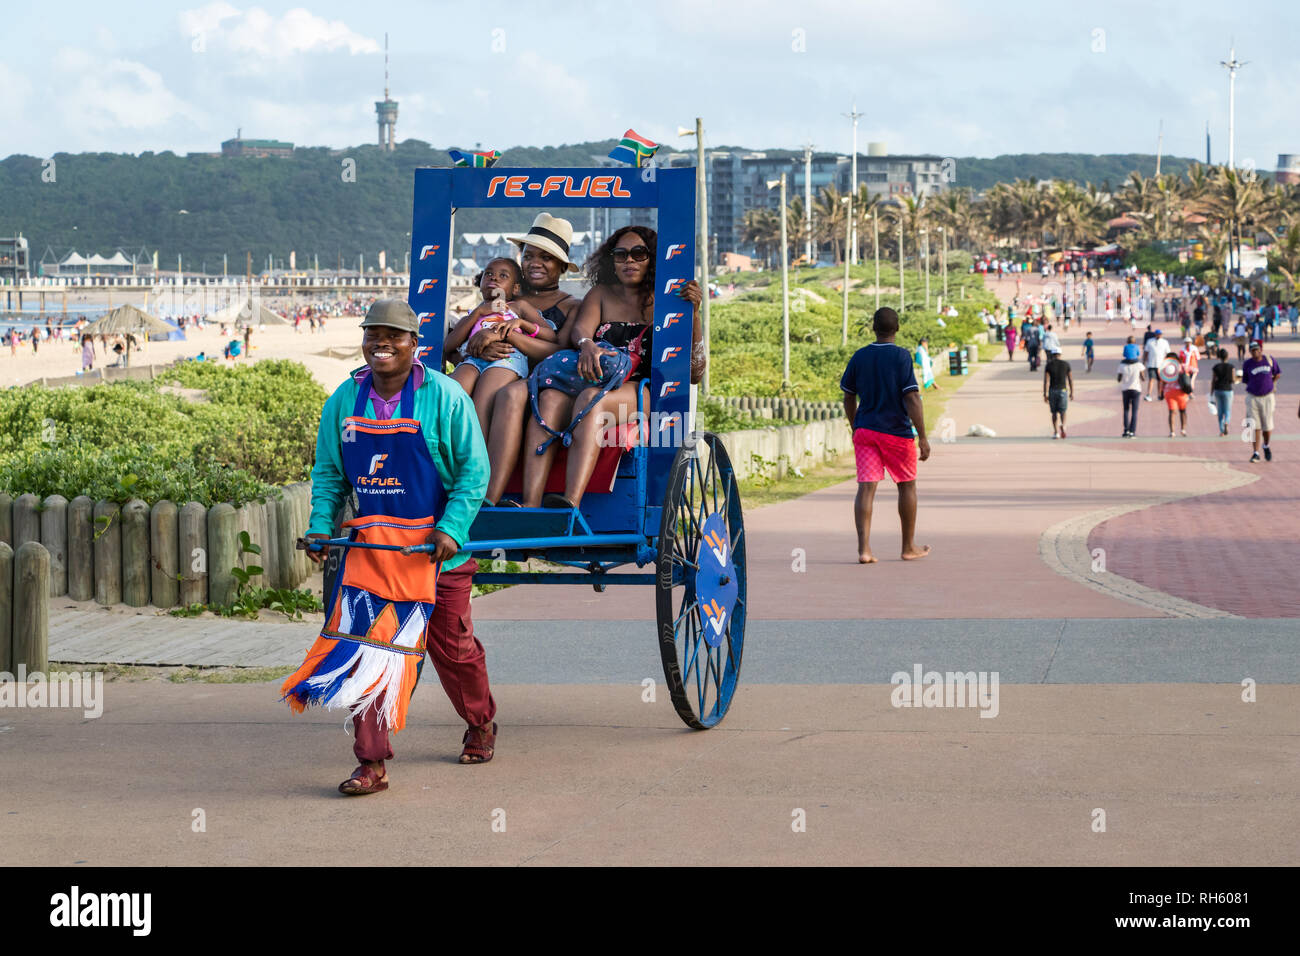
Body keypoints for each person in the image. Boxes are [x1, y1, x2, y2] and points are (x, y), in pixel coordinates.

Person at [287, 299, 494, 795]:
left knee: (453, 649)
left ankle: (481, 721)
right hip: (374, 555)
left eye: (394, 335)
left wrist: (451, 529)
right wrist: (320, 527)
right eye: (373, 334)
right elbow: (330, 474)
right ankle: (371, 764)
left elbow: (474, 472)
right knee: (372, 652)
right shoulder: (343, 400)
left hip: (437, 554)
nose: (382, 343)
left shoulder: (444, 397)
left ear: (414, 343)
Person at [520, 225, 704, 508]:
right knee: (548, 398)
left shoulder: (668, 299)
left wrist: (694, 314)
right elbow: (581, 329)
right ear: (611, 261)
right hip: (594, 380)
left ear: (652, 258)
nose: (629, 261)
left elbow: (695, 371)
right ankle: (529, 507)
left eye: (638, 254)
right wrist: (586, 343)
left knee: (592, 400)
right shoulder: (600, 294)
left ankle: (571, 503)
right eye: (620, 255)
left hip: (643, 389)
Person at [477, 214, 586, 506]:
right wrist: (482, 347)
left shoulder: (572, 305)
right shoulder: (506, 296)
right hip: (497, 370)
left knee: (511, 395)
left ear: (562, 266)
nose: (535, 262)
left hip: (547, 383)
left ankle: (491, 497)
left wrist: (513, 337)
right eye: (530, 255)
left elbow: (560, 350)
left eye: (546, 258)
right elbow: (471, 333)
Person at [840, 307, 930, 564]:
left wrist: (855, 425)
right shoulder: (902, 356)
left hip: (866, 431)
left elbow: (848, 395)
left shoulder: (860, 356)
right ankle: (908, 547)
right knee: (907, 484)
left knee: (866, 488)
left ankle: (864, 550)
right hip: (896, 433)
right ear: (897, 328)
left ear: (873, 328)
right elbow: (911, 396)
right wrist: (922, 436)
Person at [444, 257, 557, 437]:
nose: (494, 278)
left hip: (507, 358)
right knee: (453, 393)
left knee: (482, 403)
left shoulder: (518, 307)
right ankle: (451, 448)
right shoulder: (473, 313)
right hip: (473, 359)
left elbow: (550, 335)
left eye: (503, 275)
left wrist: (521, 323)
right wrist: (478, 313)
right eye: (488, 274)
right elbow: (449, 345)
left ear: (515, 288)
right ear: (480, 282)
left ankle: (477, 457)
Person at [1241, 340, 1281, 462]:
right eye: (1252, 351)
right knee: (1254, 426)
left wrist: (1272, 384)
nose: (1255, 352)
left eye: (1257, 350)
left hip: (1267, 397)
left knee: (1267, 427)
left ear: (1261, 350)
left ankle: (1266, 445)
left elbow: (1277, 373)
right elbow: (1245, 379)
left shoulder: (1269, 360)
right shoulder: (1247, 364)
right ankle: (1256, 452)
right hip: (1253, 397)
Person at [1043, 347, 1074, 439]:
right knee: (1063, 411)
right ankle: (1063, 425)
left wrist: (1045, 394)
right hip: (1063, 390)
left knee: (1054, 413)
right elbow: (1070, 379)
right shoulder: (1066, 364)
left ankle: (1056, 432)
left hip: (1052, 390)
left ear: (1052, 355)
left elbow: (1046, 381)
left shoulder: (1049, 365)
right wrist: (1072, 392)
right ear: (1060, 354)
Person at [1117, 342, 1145, 438]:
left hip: (1125, 389)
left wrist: (1124, 376)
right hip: (1136, 389)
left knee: (1126, 410)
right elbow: (1143, 378)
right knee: (1134, 411)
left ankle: (1126, 431)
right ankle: (1132, 431)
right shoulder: (1138, 365)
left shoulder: (1122, 365)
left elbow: (1119, 379)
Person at [1163, 352, 1193, 438]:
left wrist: (1161, 392)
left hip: (1170, 392)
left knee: (1172, 412)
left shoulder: (1165, 368)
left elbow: (1162, 380)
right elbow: (1194, 370)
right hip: (1181, 393)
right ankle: (1182, 430)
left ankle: (1172, 431)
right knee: (1182, 411)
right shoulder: (1183, 366)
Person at [1210, 348, 1236, 437]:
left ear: (1219, 357)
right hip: (1228, 390)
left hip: (1218, 389)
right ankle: (1226, 422)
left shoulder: (1216, 367)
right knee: (1227, 410)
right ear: (1227, 356)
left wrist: (1211, 392)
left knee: (1220, 411)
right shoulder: (1231, 366)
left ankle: (1221, 431)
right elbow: (1233, 379)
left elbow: (1213, 380)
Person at [1143, 329, 1169, 402]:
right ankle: (1148, 394)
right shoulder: (1150, 341)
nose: (1159, 335)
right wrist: (1144, 361)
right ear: (1155, 334)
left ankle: (1159, 395)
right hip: (1151, 364)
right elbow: (1146, 352)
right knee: (1151, 379)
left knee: (1160, 381)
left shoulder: (1165, 342)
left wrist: (1168, 363)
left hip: (1161, 365)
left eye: (1160, 334)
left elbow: (1168, 353)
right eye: (1158, 334)